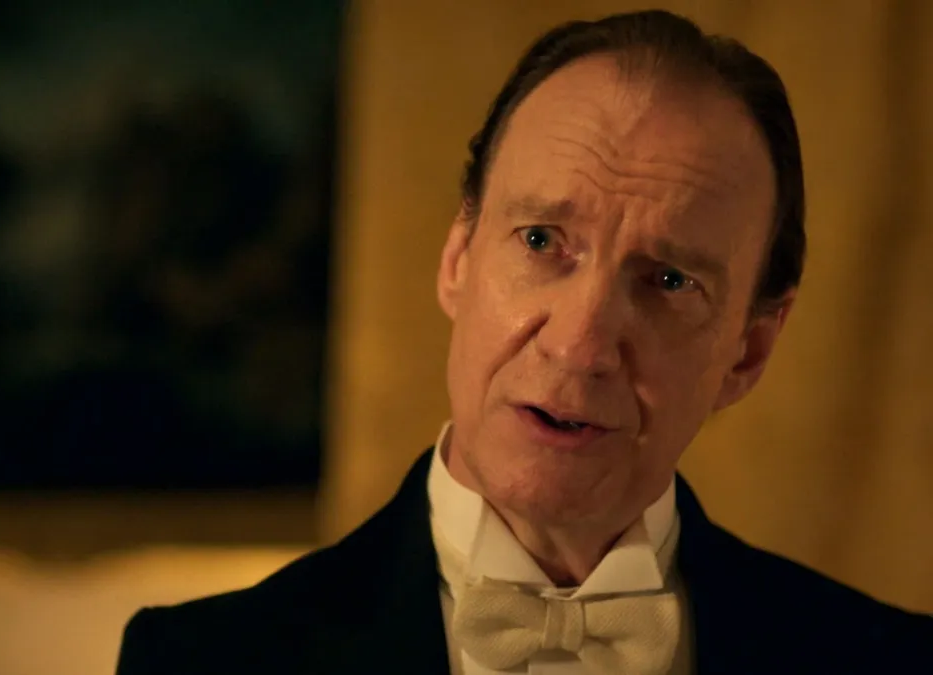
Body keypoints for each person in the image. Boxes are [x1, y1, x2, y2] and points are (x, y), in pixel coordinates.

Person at [115, 9, 931, 674]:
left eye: (669, 280)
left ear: (748, 352)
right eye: (541, 240)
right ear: (458, 258)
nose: (580, 345)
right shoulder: (200, 661)